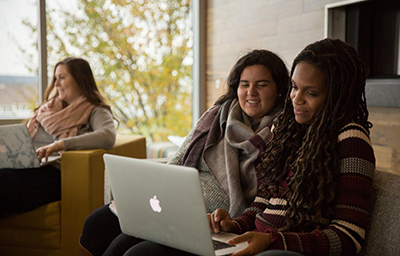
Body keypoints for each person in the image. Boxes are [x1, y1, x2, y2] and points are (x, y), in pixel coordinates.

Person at [79, 49, 290, 256]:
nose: (251, 92)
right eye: (245, 85)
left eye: (261, 85)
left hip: (213, 221)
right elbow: (178, 162)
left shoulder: (284, 133)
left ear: (279, 89)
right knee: (97, 223)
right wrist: (155, 199)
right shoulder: (217, 116)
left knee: (126, 247)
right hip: (175, 206)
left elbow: (267, 197)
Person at [204, 38, 376, 256]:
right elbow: (263, 204)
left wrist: (274, 241)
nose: (296, 99)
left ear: (337, 95)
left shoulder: (352, 140)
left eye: (311, 93)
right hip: (265, 247)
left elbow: (348, 237)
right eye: (294, 87)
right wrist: (233, 226)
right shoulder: (289, 132)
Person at [0, 57, 117, 216]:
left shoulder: (95, 110)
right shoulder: (48, 109)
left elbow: (107, 136)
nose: (56, 84)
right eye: (55, 78)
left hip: (54, 174)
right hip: (24, 166)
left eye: (62, 78)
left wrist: (61, 144)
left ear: (81, 78)